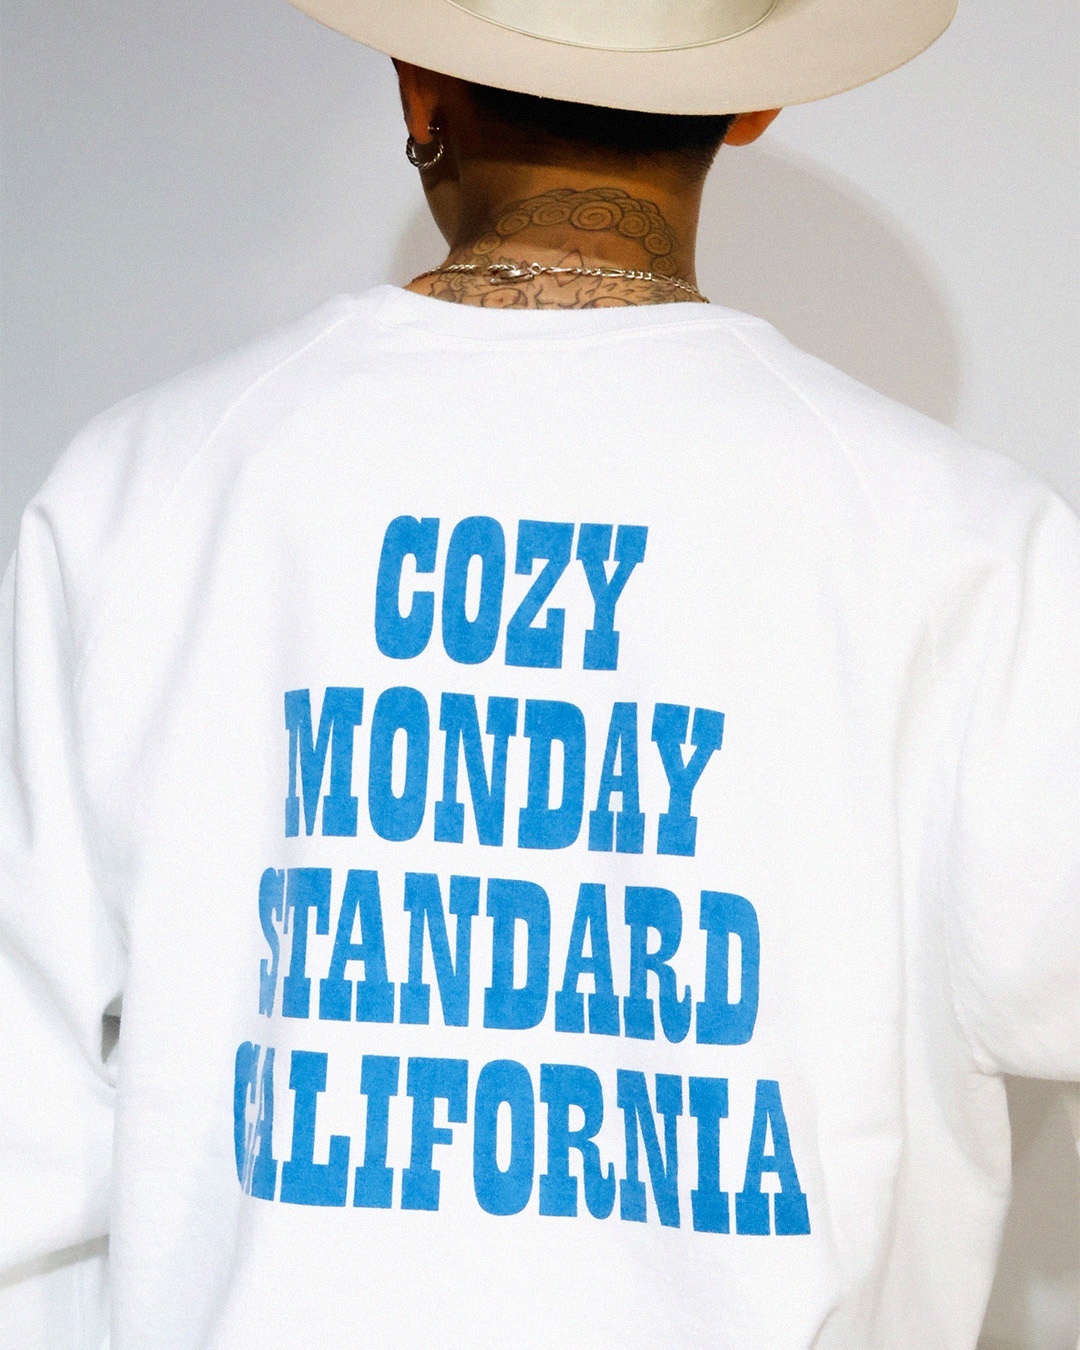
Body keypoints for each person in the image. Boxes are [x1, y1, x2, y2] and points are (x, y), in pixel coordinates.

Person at [1, 1, 1076, 1345]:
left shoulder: (149, 488)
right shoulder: (964, 544)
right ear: (755, 105)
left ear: (418, 86)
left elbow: (26, 1124)